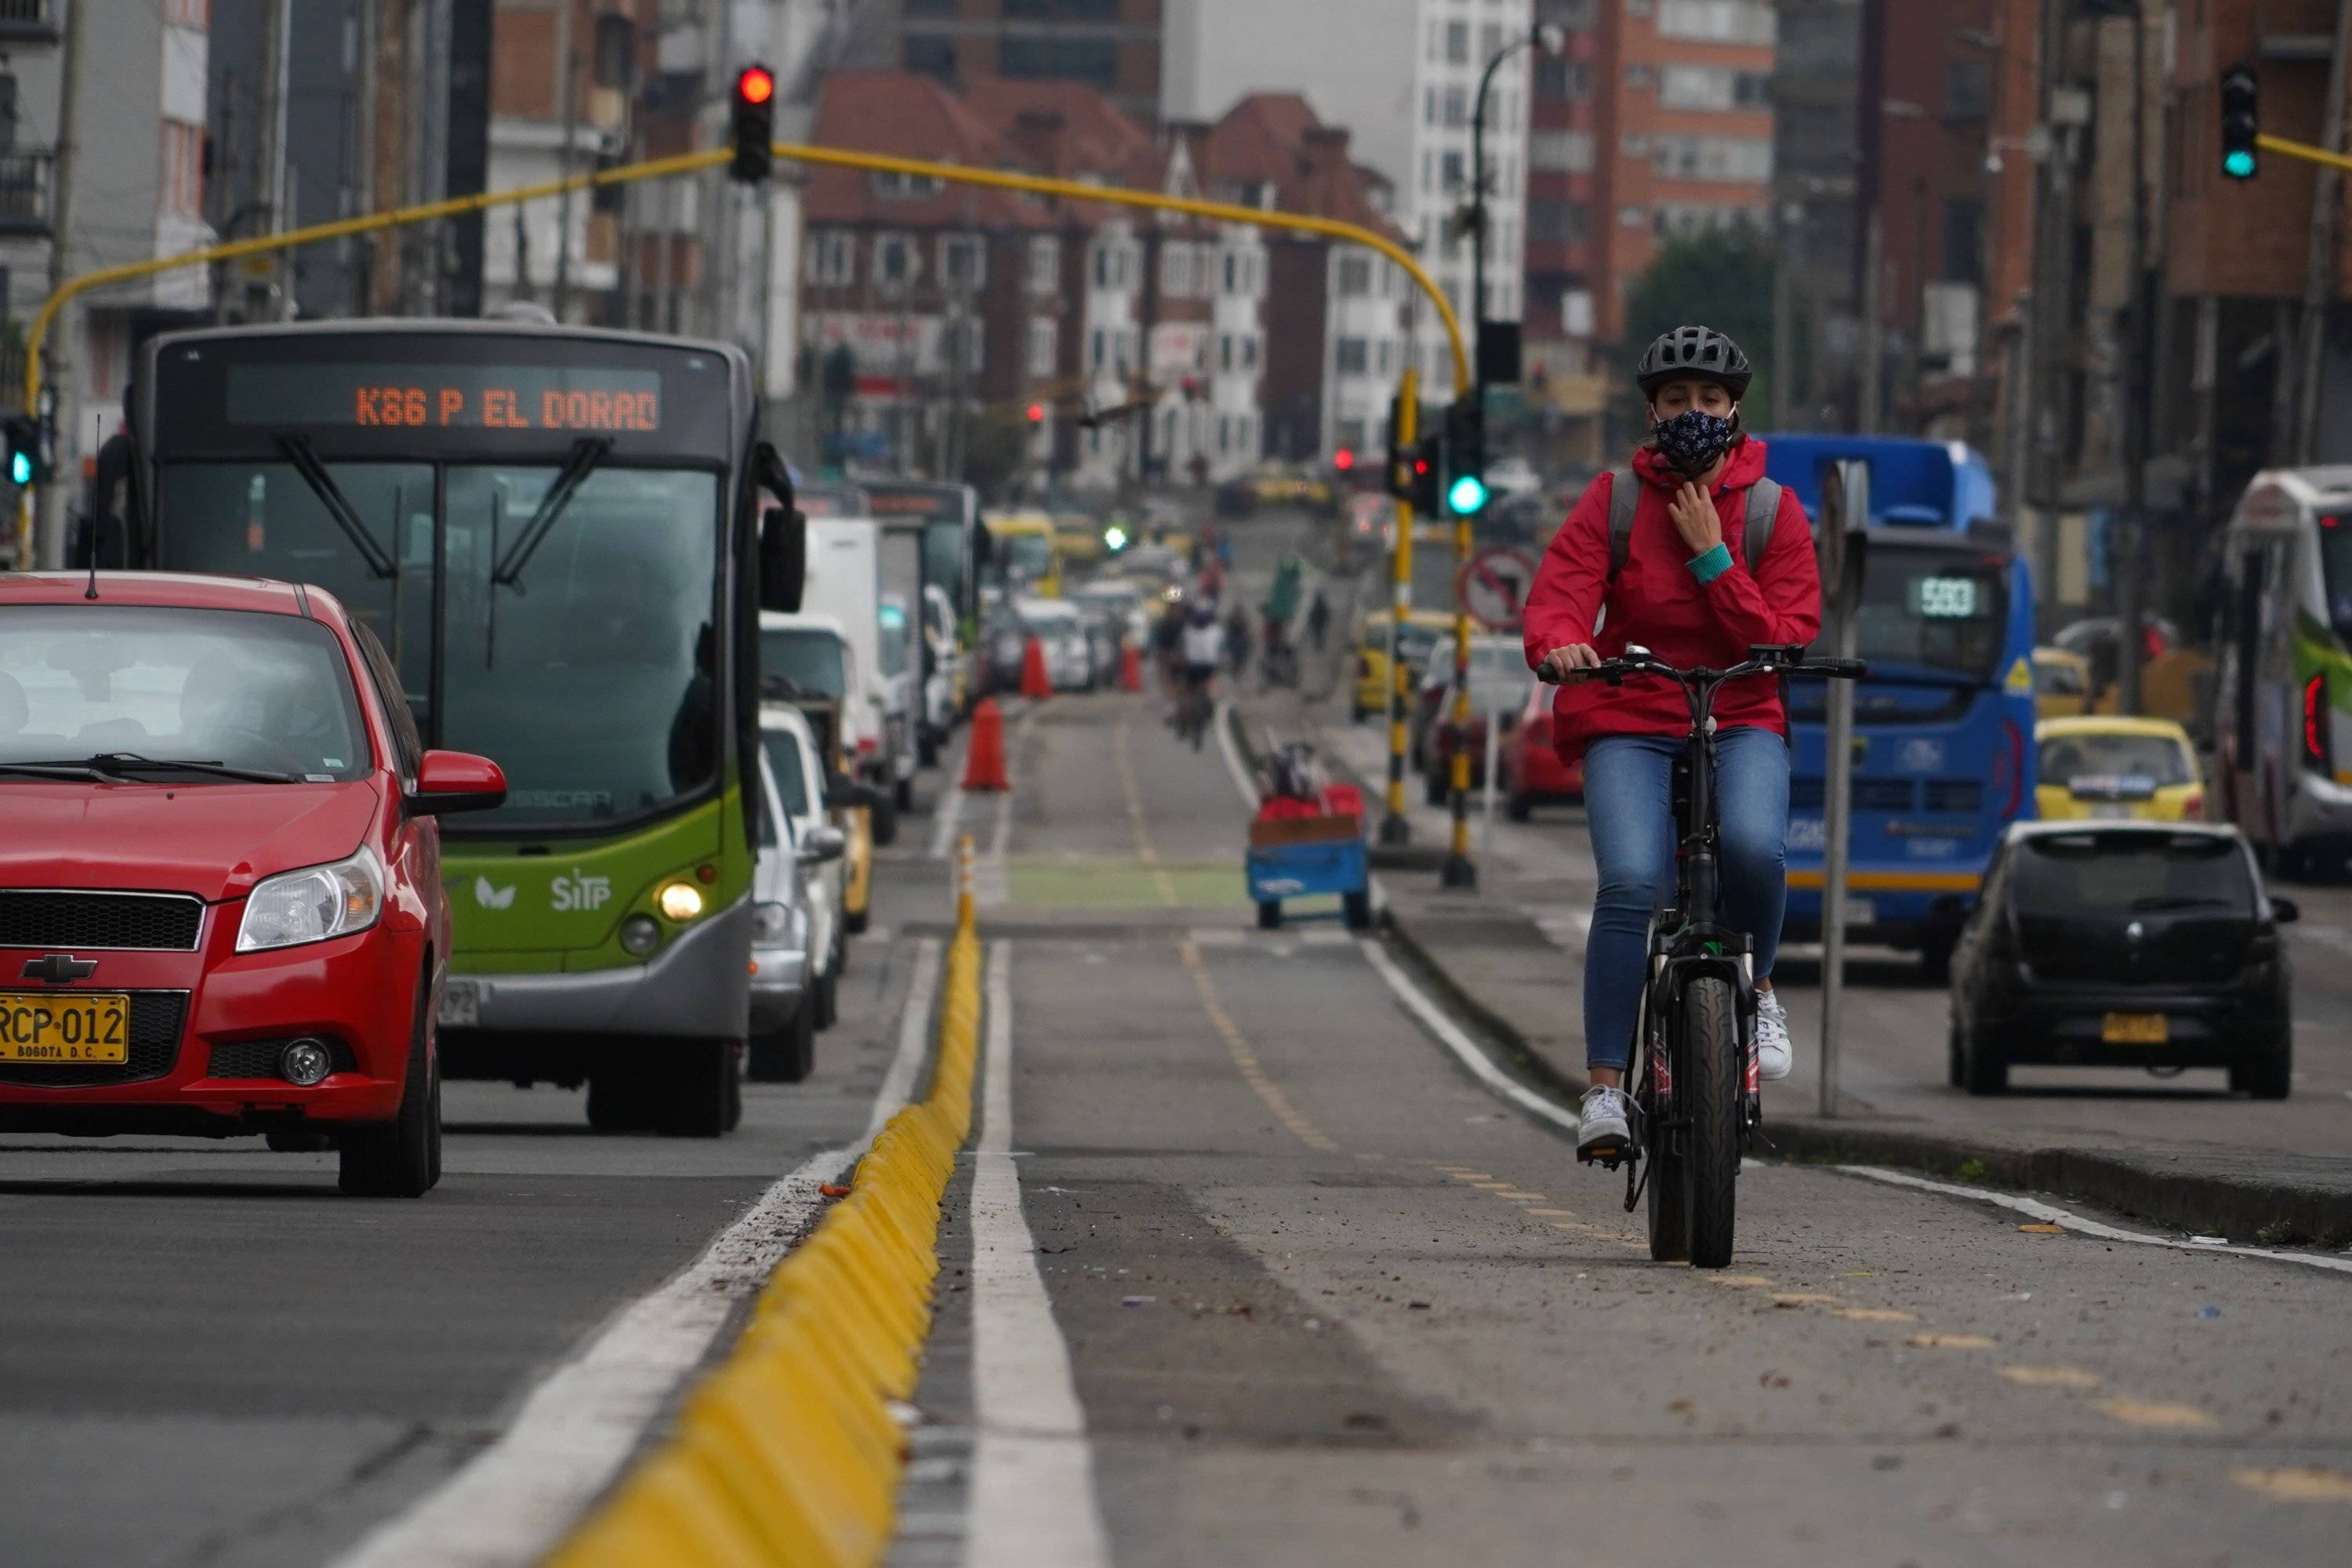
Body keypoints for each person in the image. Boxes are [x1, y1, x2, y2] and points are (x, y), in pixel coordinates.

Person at [1521, 325, 1823, 1163]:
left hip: (1741, 710)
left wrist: (1712, 558)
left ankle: (1758, 990)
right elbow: (1560, 595)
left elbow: (1786, 632)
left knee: (1759, 849)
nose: (1696, 412)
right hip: (1631, 710)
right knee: (1629, 882)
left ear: (1736, 412)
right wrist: (1561, 643)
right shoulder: (1613, 501)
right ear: (1652, 408)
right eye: (1679, 398)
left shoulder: (1773, 510)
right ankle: (1605, 1090)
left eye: (1713, 399)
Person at [1178, 601, 1225, 746]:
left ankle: (1185, 719)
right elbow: (1221, 649)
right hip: (1209, 666)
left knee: (1188, 692)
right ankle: (1210, 704)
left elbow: (1182, 648)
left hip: (1192, 666)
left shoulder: (1188, 630)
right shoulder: (1216, 631)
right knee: (1210, 683)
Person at [1306, 587, 1331, 652]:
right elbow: (1326, 612)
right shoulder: (1322, 604)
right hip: (1320, 622)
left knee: (1317, 634)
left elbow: (1312, 614)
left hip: (1317, 622)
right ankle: (1320, 644)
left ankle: (1319, 645)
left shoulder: (1316, 604)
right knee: (1320, 634)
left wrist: (1312, 622)